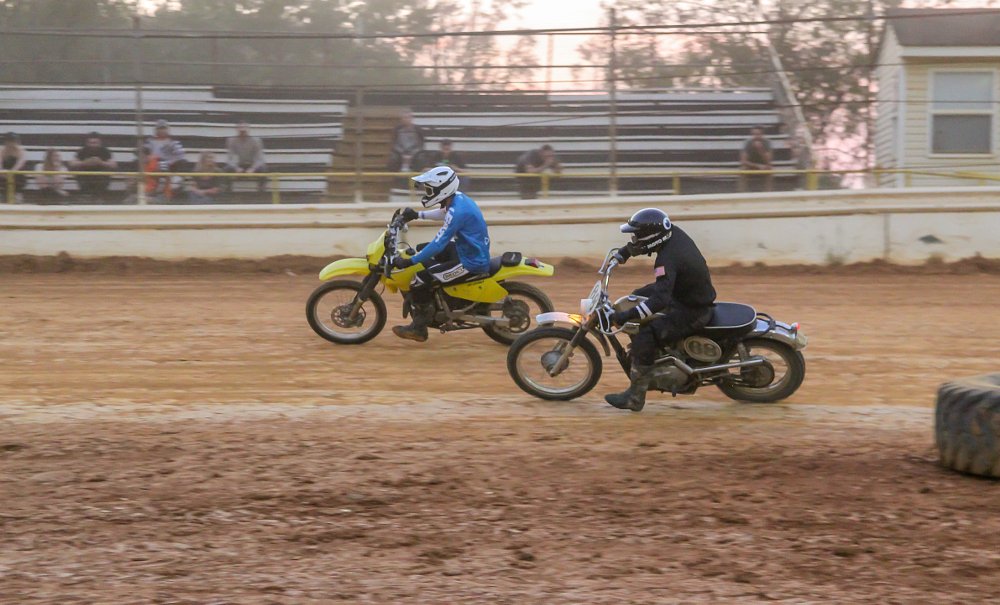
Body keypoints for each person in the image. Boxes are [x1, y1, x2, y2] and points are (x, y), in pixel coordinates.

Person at [604, 208, 717, 412]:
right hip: (684, 294)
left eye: (637, 235)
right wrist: (625, 252)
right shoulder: (673, 235)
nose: (634, 238)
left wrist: (626, 316)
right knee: (637, 294)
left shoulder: (667, 259)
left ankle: (635, 397)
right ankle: (654, 356)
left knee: (644, 334)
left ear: (651, 237)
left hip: (692, 309)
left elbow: (659, 300)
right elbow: (645, 244)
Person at [390, 166, 491, 342]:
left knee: (419, 277)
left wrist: (410, 261)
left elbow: (438, 244)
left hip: (471, 262)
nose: (427, 193)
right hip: (467, 250)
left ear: (443, 189)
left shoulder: (458, 211)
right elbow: (444, 214)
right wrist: (416, 215)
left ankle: (419, 328)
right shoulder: (457, 200)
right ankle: (435, 300)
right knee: (422, 248)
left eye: (430, 190)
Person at [145, 119, 189, 195]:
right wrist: (149, 157)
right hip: (154, 164)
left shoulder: (173, 141)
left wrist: (168, 162)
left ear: (167, 129)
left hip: (169, 164)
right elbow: (143, 152)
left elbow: (181, 154)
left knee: (183, 162)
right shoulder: (150, 141)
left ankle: (175, 182)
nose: (162, 131)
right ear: (156, 130)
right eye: (160, 128)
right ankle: (152, 188)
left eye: (163, 128)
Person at [69, 132, 117, 198]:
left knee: (107, 172)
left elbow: (114, 165)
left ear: (100, 143)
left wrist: (101, 162)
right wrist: (84, 163)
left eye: (95, 143)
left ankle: (99, 197)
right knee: (78, 170)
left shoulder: (105, 151)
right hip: (85, 178)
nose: (93, 145)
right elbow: (72, 163)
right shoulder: (83, 150)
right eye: (90, 143)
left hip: (100, 179)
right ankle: (85, 195)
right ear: (87, 143)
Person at [224, 121, 267, 192]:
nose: (243, 130)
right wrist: (236, 168)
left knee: (264, 168)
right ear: (237, 129)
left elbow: (260, 159)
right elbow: (229, 158)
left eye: (245, 128)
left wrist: (253, 168)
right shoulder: (231, 140)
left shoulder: (256, 140)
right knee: (226, 169)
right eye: (241, 128)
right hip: (240, 164)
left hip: (252, 164)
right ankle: (228, 190)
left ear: (249, 129)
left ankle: (261, 191)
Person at [739, 126, 774, 193]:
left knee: (770, 170)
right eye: (754, 134)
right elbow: (743, 161)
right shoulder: (748, 143)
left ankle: (768, 193)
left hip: (764, 166)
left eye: (758, 134)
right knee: (742, 170)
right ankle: (742, 193)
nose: (756, 136)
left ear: (762, 134)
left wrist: (761, 150)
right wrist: (757, 166)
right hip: (751, 166)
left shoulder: (767, 143)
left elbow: (769, 161)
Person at [1, 132, 28, 203]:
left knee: (17, 199)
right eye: (9, 141)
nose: (11, 143)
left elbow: (20, 164)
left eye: (13, 141)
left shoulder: (21, 151)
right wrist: (2, 172)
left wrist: (11, 173)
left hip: (17, 178)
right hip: (4, 178)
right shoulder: (2, 151)